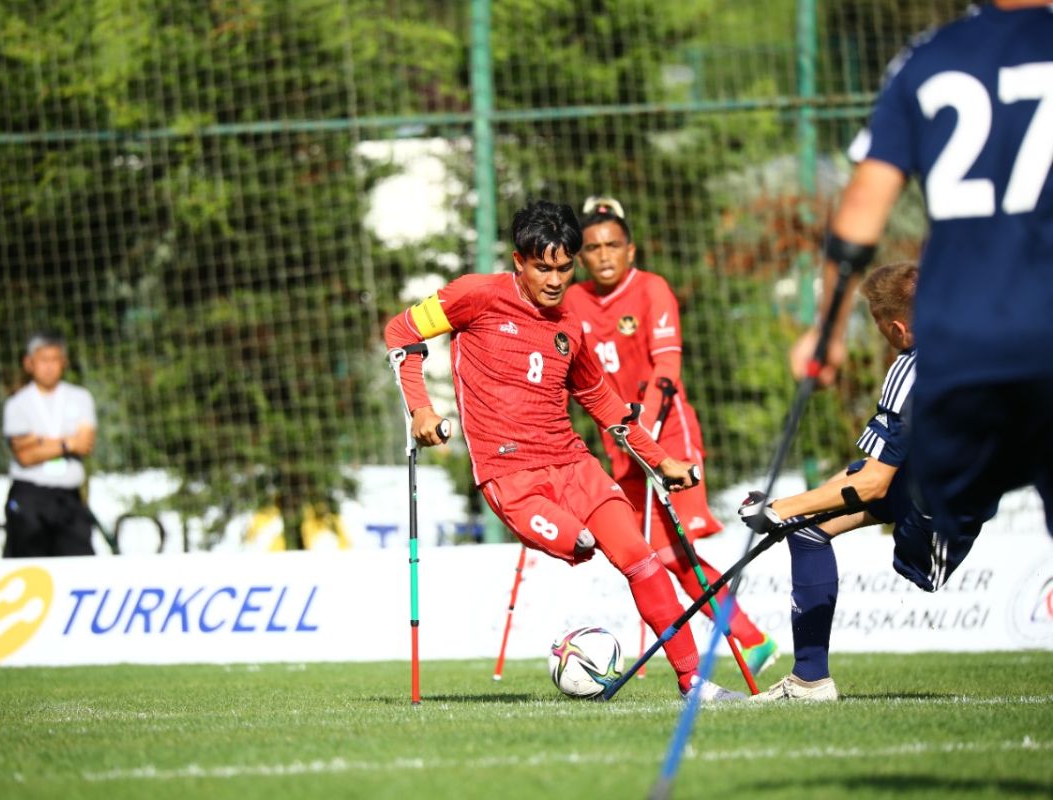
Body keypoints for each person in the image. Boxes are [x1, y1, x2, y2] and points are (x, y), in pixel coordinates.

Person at [384, 199, 743, 701]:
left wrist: (661, 460)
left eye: (563, 267)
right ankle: (577, 653)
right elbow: (401, 331)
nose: (555, 280)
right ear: (518, 261)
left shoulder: (571, 323)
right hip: (511, 478)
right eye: (542, 267)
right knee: (582, 543)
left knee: (642, 558)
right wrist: (420, 409)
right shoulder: (474, 295)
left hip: (574, 463)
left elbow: (604, 402)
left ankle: (694, 683)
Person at [789, 1, 1053, 561]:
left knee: (929, 508)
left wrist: (827, 330)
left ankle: (925, 533)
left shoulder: (928, 59)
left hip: (965, 345)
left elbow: (861, 212)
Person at [563, 196, 778, 675]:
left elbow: (668, 364)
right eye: (593, 247)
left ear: (631, 250)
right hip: (620, 444)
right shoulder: (572, 301)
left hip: (668, 435)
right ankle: (750, 638)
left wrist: (647, 423)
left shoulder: (653, 289)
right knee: (651, 554)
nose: (603, 255)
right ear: (580, 257)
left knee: (674, 551)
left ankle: (748, 637)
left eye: (612, 245)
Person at [747, 262, 979, 701]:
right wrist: (794, 510)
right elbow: (868, 470)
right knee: (811, 530)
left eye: (877, 326)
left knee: (808, 517)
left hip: (935, 515)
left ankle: (810, 678)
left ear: (897, 328)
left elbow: (872, 484)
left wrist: (778, 511)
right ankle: (810, 680)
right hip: (943, 490)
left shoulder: (912, 367)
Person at [2, 331, 98, 557]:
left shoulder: (80, 397)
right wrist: (67, 443)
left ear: (63, 363)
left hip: (69, 497)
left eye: (54, 360)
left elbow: (84, 444)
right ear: (29, 363)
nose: (49, 367)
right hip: (31, 496)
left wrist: (39, 441)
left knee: (80, 567)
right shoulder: (17, 404)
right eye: (43, 360)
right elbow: (25, 456)